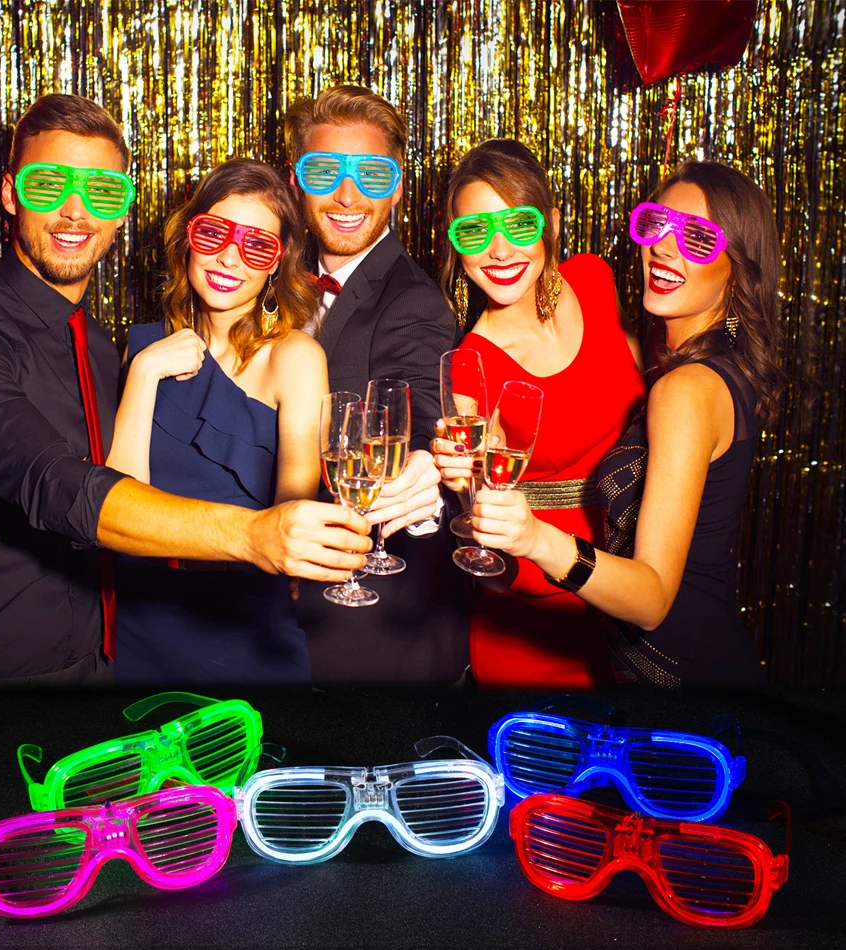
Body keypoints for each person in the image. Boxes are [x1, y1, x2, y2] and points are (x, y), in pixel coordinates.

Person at [0, 94, 370, 686]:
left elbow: (293, 503)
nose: (76, 211)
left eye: (101, 192)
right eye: (48, 185)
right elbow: (53, 483)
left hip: (105, 659)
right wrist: (252, 533)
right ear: (10, 194)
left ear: (122, 210)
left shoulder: (98, 345)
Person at [465, 160, 782, 688]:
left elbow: (651, 600)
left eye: (698, 238)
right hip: (667, 669)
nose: (665, 247)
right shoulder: (708, 365)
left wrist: (535, 538)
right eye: (656, 224)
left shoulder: (684, 390)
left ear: (738, 265)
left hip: (685, 686)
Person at [432, 139, 645, 689]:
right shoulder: (471, 363)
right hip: (539, 602)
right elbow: (476, 486)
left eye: (519, 225)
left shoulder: (594, 279)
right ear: (455, 243)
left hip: (637, 571)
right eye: (475, 232)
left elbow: (646, 393)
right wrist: (462, 478)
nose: (499, 250)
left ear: (550, 222)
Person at [108, 159, 327, 683]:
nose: (230, 256)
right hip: (140, 623)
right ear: (189, 237)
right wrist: (144, 372)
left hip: (248, 632)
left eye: (257, 245)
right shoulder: (144, 349)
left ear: (277, 263)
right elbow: (118, 506)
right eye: (214, 233)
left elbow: (295, 509)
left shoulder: (295, 357)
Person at [284, 84, 467, 684]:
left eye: (371, 173)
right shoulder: (275, 280)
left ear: (397, 185)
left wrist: (422, 466)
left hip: (381, 640)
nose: (347, 195)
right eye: (324, 171)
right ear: (295, 180)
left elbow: (422, 405)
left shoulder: (414, 300)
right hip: (281, 626)